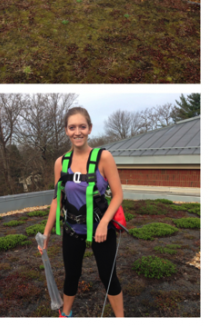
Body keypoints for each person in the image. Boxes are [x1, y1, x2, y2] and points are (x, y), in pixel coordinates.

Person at [38, 107, 125, 317]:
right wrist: (46, 233)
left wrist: (104, 223)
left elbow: (118, 194)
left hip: (99, 228)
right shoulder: (61, 163)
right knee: (72, 274)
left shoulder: (104, 157)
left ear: (90, 129)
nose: (78, 132)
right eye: (72, 127)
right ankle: (66, 313)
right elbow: (56, 199)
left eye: (82, 127)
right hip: (72, 228)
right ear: (66, 131)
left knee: (108, 275)